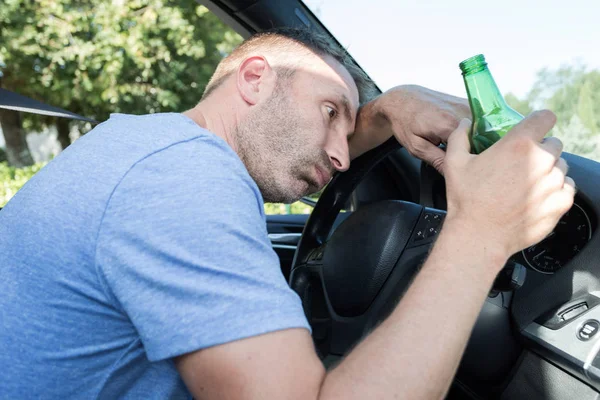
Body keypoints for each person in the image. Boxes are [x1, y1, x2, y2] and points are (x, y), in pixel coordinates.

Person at [0, 27, 574, 399]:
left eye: (349, 131)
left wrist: (381, 109)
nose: (341, 153)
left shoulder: (146, 149)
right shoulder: (181, 184)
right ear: (254, 78)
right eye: (330, 113)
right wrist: (480, 233)